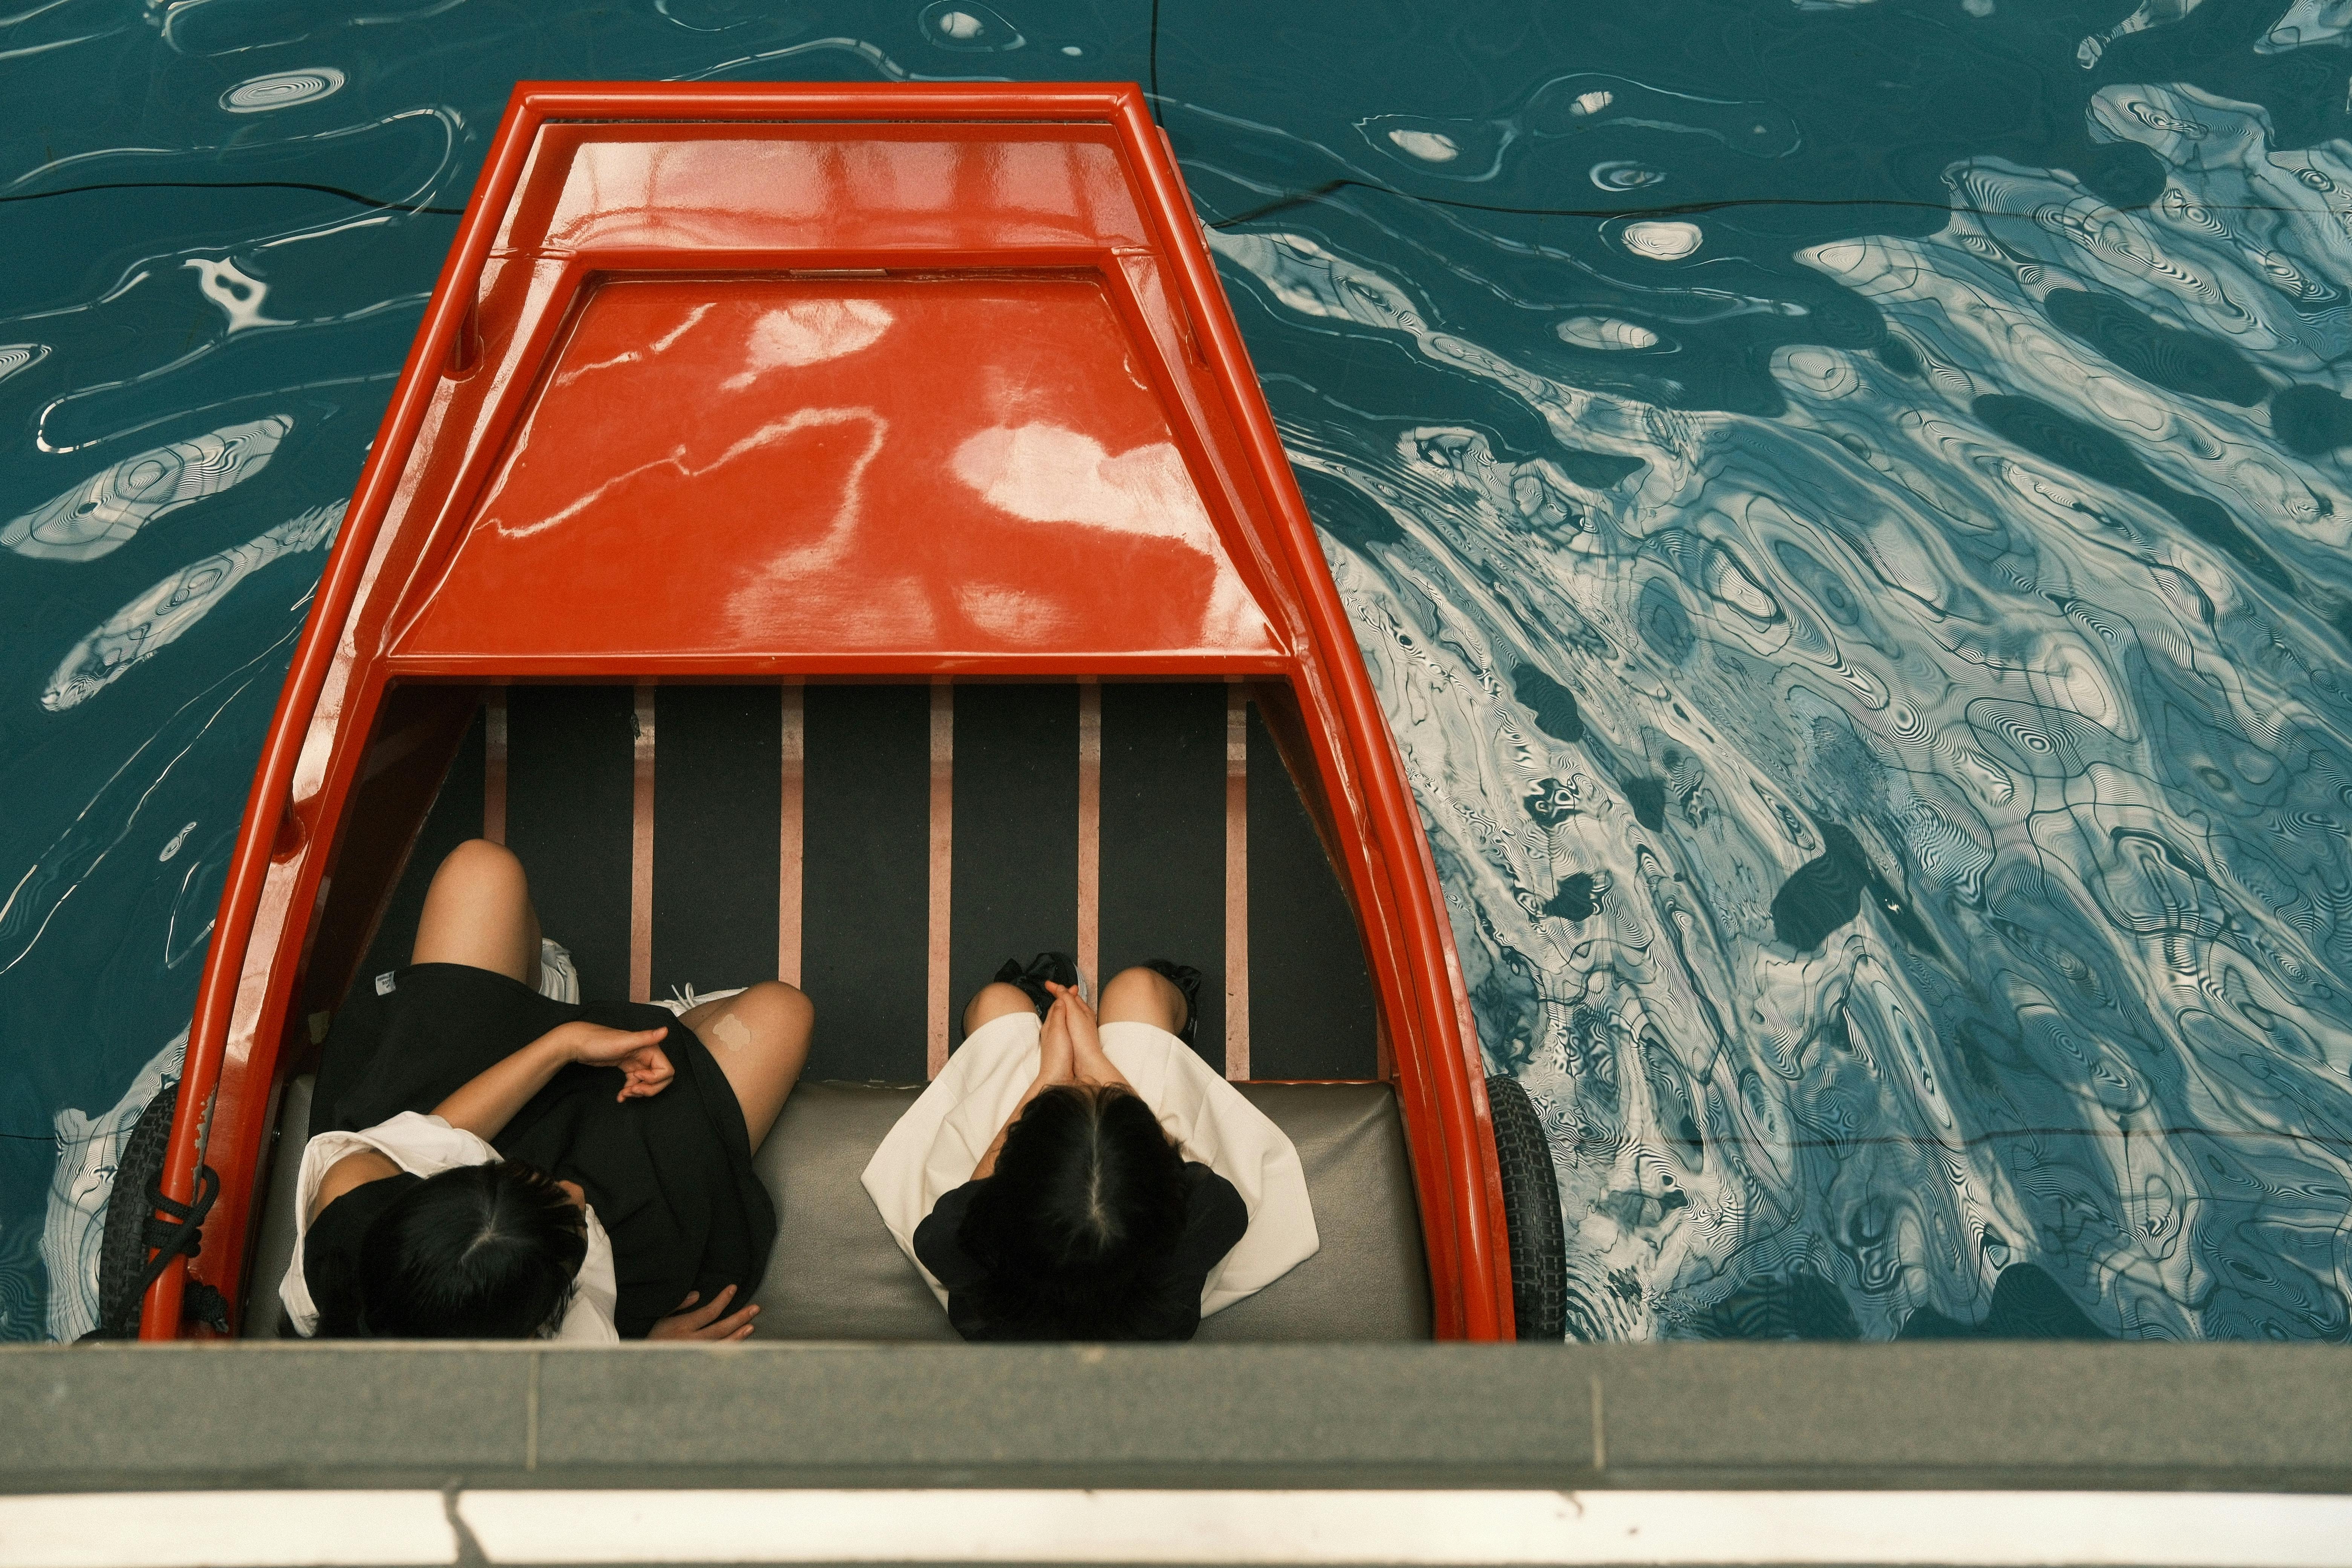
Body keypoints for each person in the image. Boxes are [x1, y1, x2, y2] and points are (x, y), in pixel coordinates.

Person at [281, 839, 812, 1340]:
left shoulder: (351, 1192)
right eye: (574, 1222)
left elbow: (439, 1132)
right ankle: (678, 1036)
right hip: (629, 1228)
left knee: (481, 869)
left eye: (510, 1177)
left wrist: (564, 1044)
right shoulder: (544, 1380)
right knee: (784, 1013)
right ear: (538, 1327)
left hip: (441, 1101)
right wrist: (638, 1354)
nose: (575, 1190)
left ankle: (544, 1000)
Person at [864, 956, 1317, 1341]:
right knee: (1137, 991)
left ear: (1011, 1183)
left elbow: (959, 1206)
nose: (1084, 1081)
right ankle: (1176, 1014)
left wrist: (1050, 1074)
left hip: (1012, 1291)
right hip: (1141, 1295)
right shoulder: (1204, 1218)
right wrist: (1096, 1058)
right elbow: (1181, 1170)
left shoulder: (960, 1244)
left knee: (996, 1004)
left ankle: (1027, 1010)